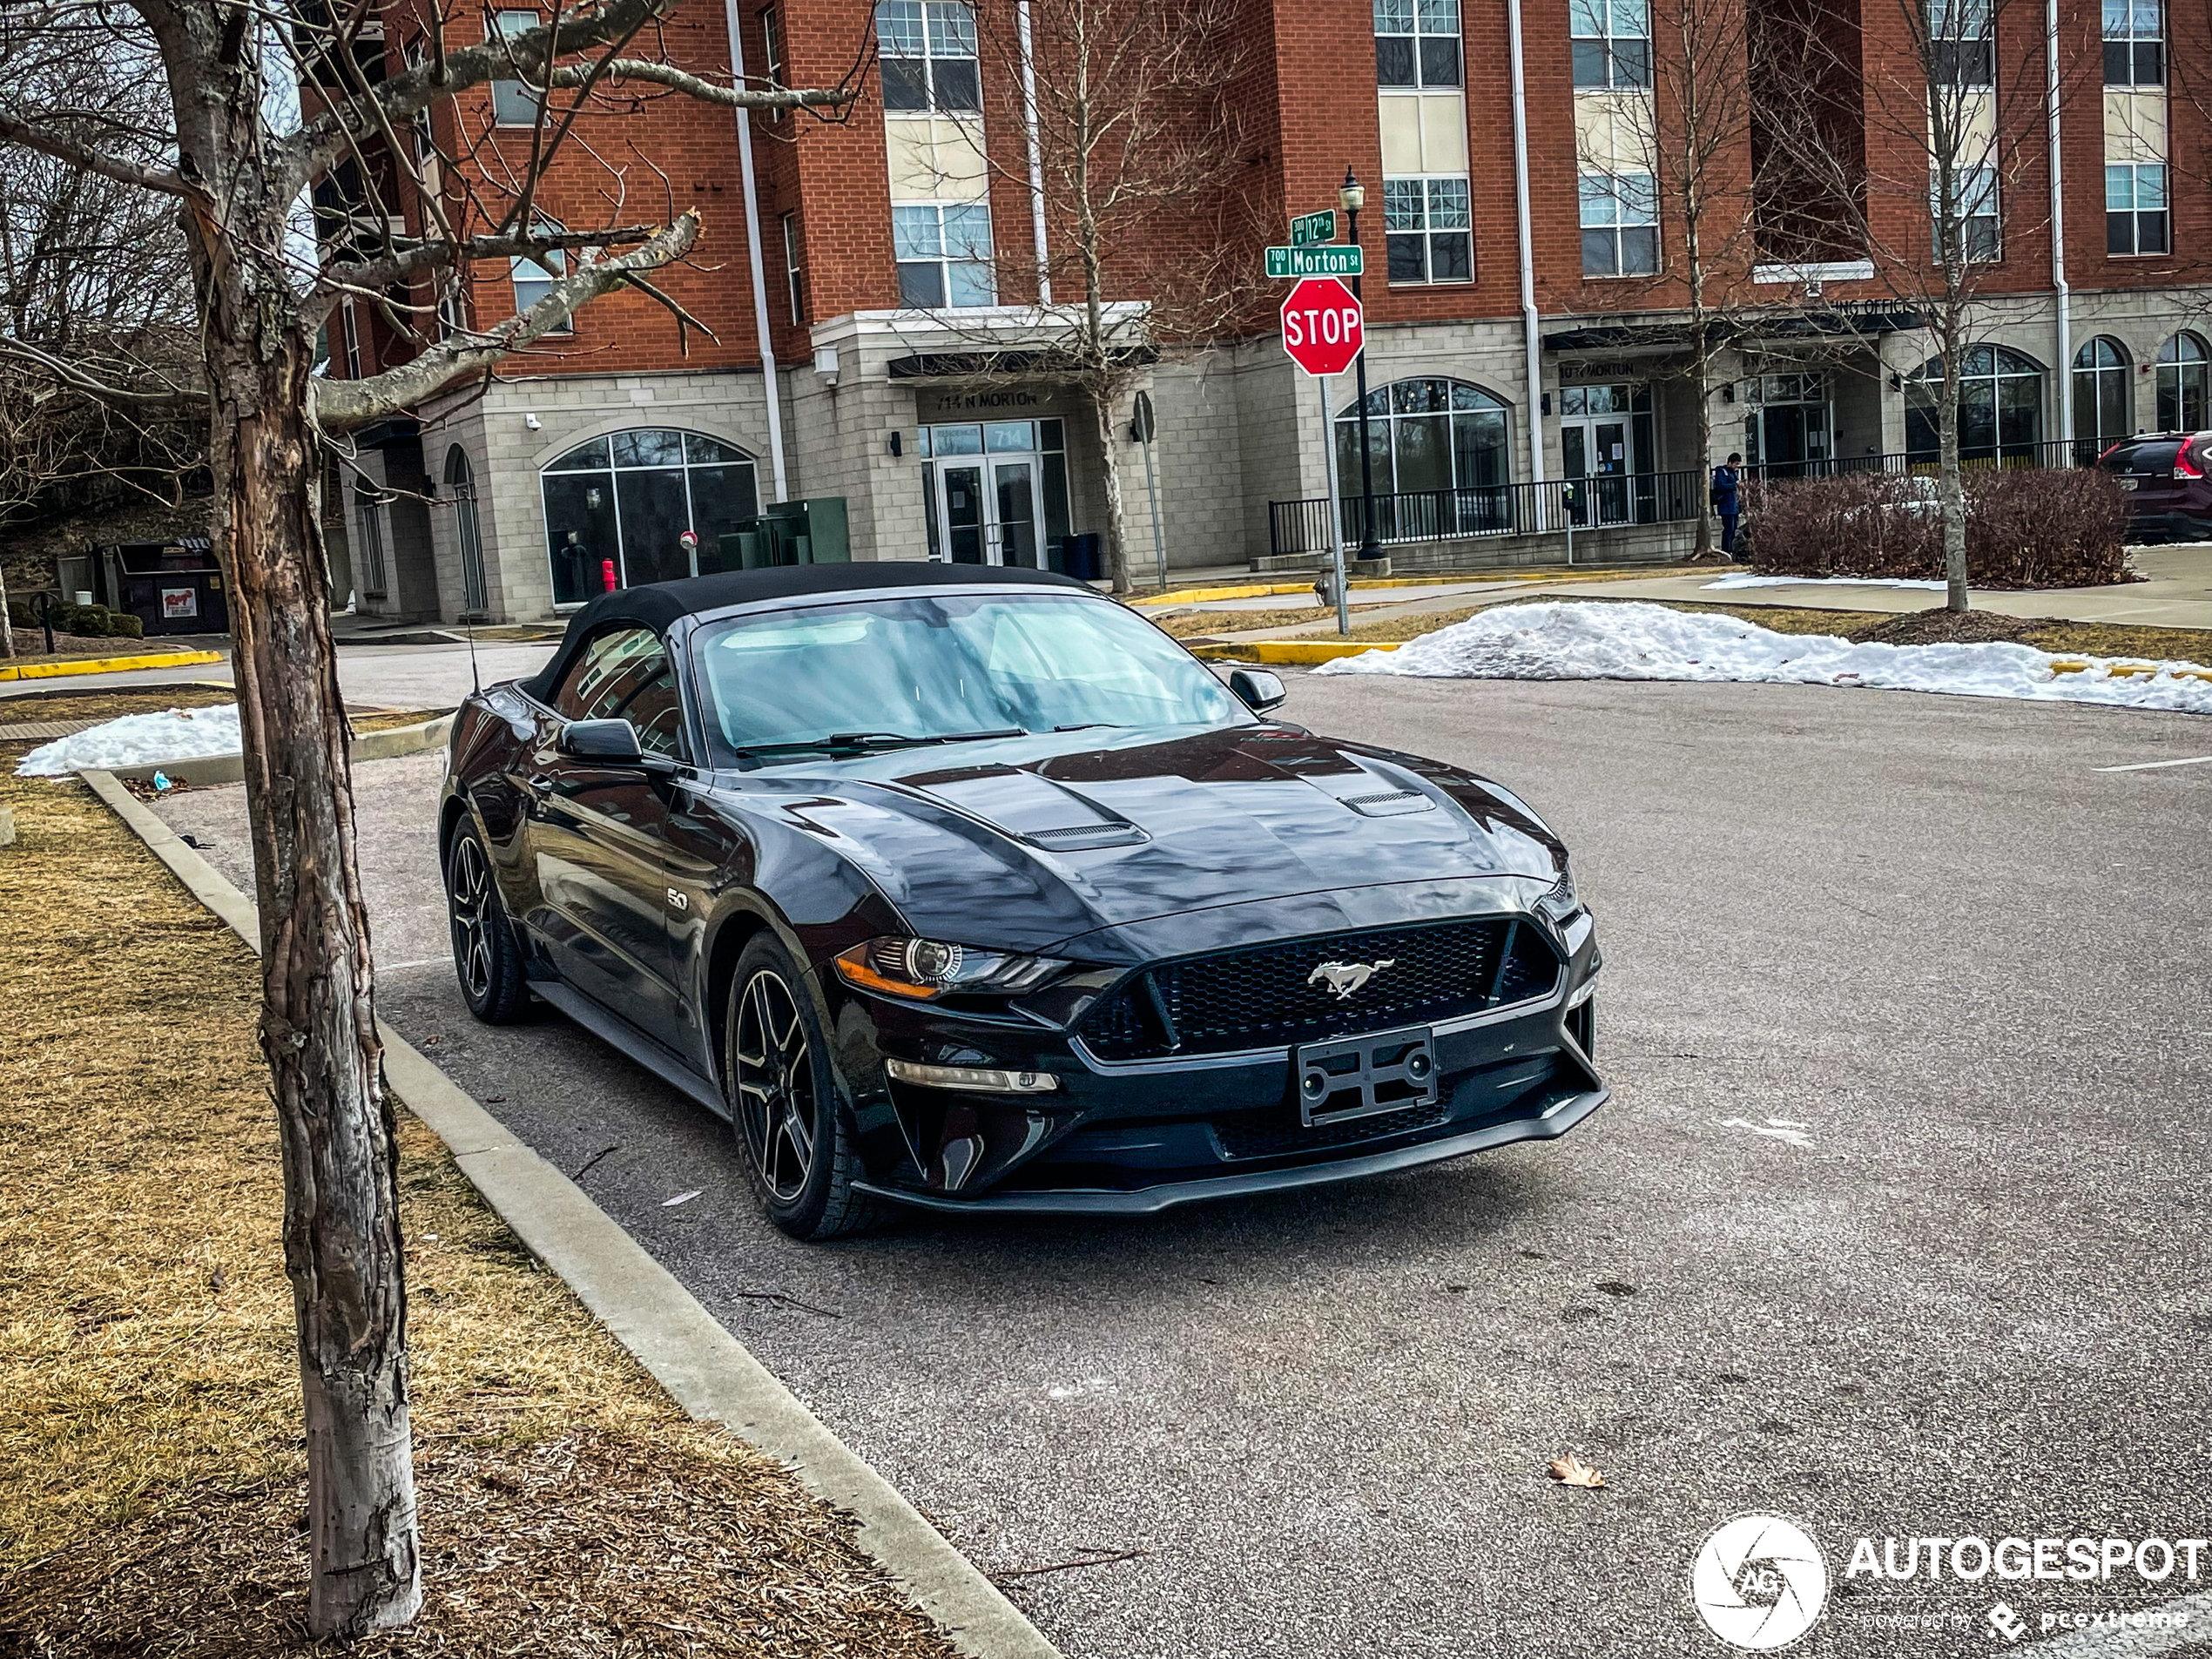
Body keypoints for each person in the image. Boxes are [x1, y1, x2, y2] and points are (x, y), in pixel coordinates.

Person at [1710, 452, 1743, 558]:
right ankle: (1727, 550)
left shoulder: (1734, 473)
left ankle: (1733, 550)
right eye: (1736, 464)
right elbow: (1720, 486)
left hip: (1734, 505)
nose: (1737, 467)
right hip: (1726, 505)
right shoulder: (1722, 472)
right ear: (1730, 462)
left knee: (1735, 529)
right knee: (1728, 529)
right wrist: (1734, 485)